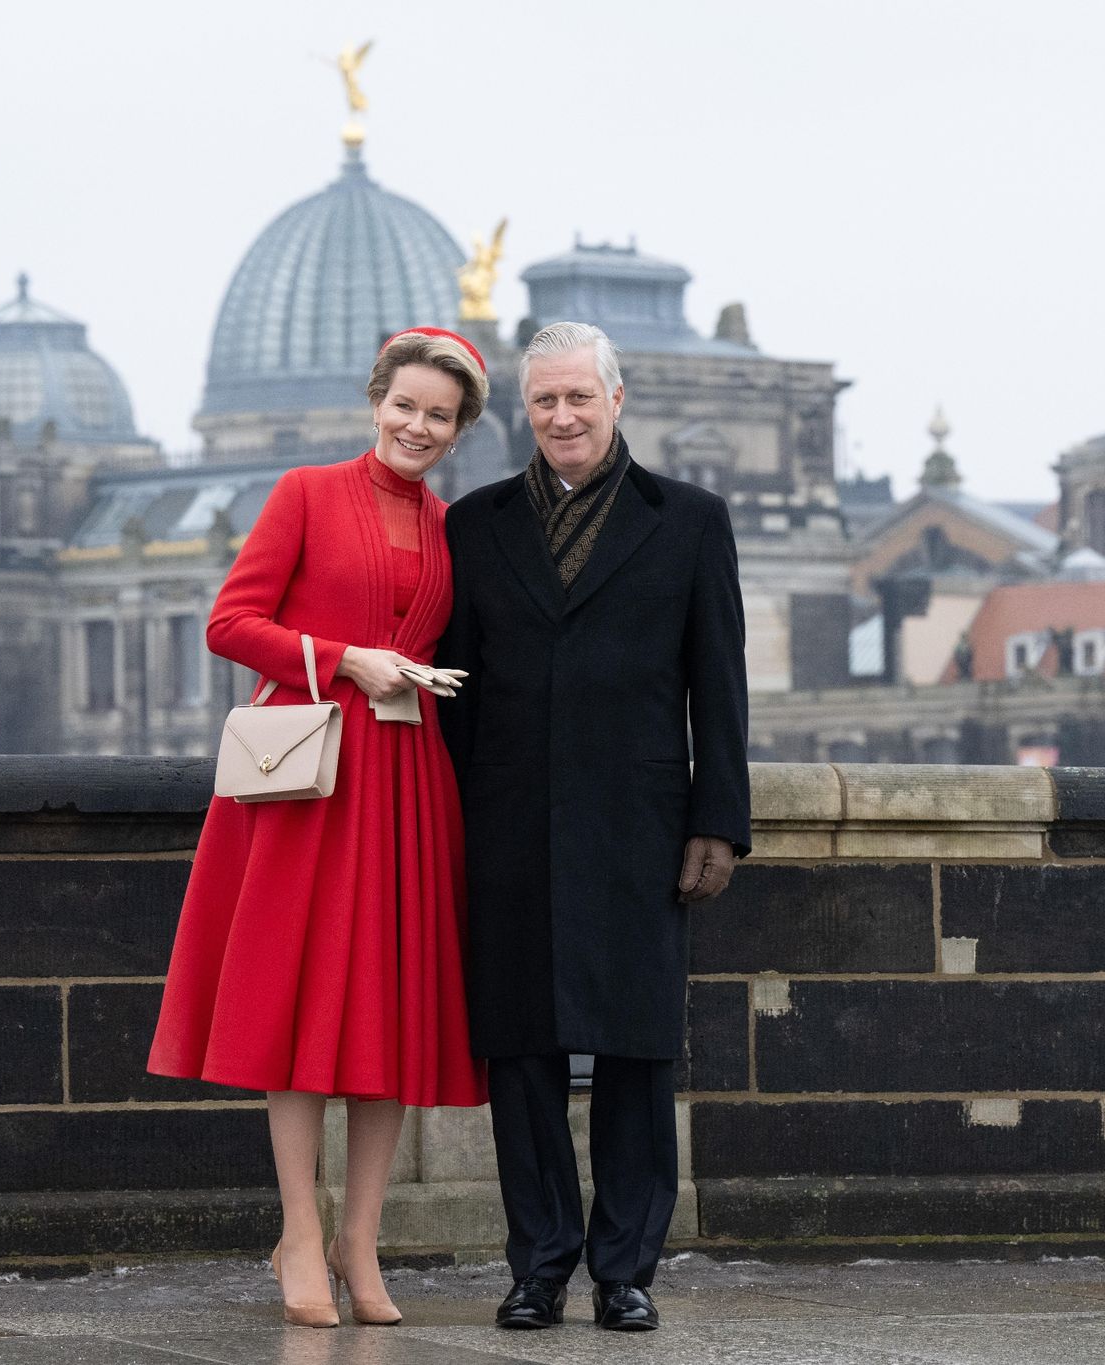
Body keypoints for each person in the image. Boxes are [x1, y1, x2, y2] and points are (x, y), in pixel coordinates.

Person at [150, 328, 492, 1328]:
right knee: (296, 1007)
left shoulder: (447, 525)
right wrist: (344, 658)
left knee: (388, 1008)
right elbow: (229, 622)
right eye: (405, 407)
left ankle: (360, 1241)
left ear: (459, 429)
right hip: (307, 782)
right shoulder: (304, 491)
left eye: (439, 416)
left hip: (405, 779)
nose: (417, 427)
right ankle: (298, 1230)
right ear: (374, 401)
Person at [437, 320, 750, 1333]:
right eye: (543, 402)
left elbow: (719, 685)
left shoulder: (690, 519)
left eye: (579, 397)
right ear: (521, 413)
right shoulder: (473, 523)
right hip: (509, 823)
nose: (562, 417)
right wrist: (450, 818)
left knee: (636, 1052)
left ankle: (625, 1270)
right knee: (518, 1056)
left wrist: (719, 821)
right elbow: (456, 694)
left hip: (640, 824)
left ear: (616, 401)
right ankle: (537, 1268)